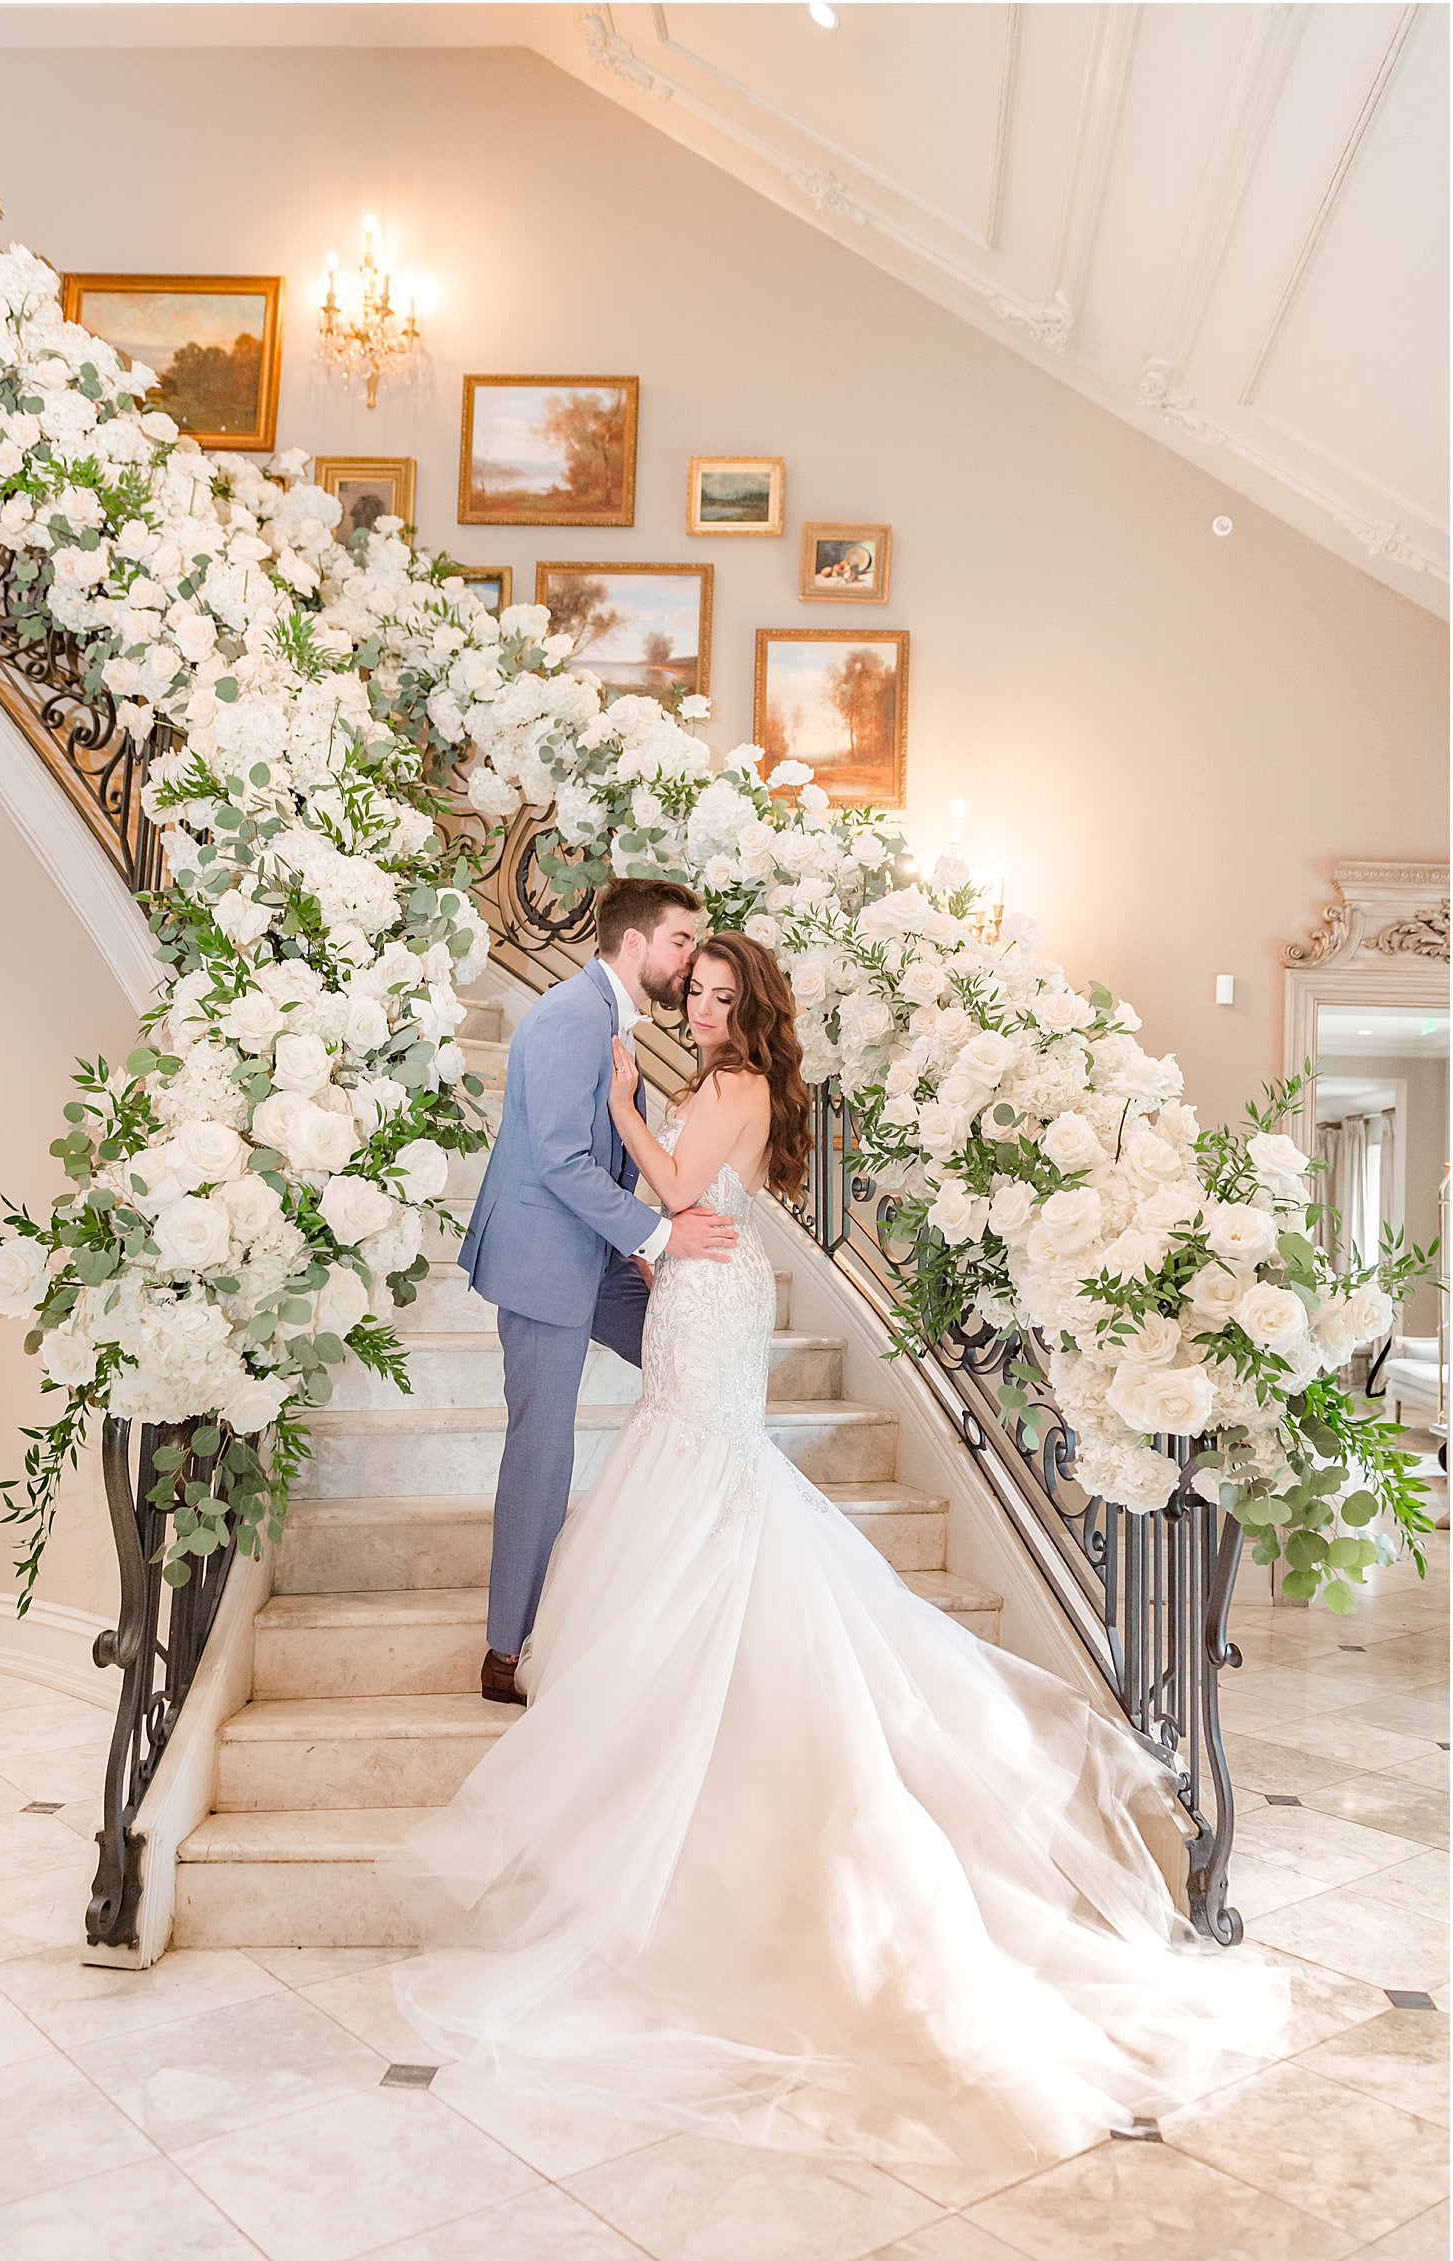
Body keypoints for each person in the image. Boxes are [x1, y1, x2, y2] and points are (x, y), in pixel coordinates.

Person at [391, 932, 1294, 2179]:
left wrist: (617, 1108)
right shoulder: (732, 1081)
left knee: (702, 1462)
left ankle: (698, 1667)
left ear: (748, 1008)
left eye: (717, 996)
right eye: (692, 992)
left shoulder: (730, 1086)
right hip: (704, 1292)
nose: (699, 1010)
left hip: (703, 1291)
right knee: (690, 1458)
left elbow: (666, 1194)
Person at [457, 877, 738, 1705]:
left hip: (602, 1260)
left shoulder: (612, 1017)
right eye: (682, 943)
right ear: (635, 943)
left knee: (692, 1359)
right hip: (544, 1265)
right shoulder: (564, 1018)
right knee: (542, 1453)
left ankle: (692, 1581)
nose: (690, 964)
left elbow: (606, 1151)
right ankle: (506, 1652)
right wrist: (657, 1233)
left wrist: (637, 1256)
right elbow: (558, 1159)